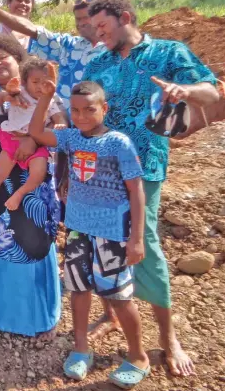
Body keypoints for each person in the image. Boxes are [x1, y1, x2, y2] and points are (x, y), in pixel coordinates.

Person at [83, 0, 219, 377]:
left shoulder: (168, 53)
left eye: (104, 27)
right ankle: (111, 314)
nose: (99, 34)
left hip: (145, 166)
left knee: (145, 245)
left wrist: (184, 91)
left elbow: (212, 91)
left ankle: (167, 337)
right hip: (102, 169)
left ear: (125, 18)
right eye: (95, 29)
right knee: (102, 241)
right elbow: (83, 110)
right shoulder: (98, 64)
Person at [29, 79, 151, 388]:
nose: (81, 116)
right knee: (79, 290)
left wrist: (136, 238)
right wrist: (45, 98)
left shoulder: (118, 143)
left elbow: (136, 190)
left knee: (119, 297)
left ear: (104, 109)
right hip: (77, 229)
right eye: (75, 111)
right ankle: (81, 348)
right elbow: (37, 133)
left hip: (112, 233)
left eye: (89, 110)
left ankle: (138, 355)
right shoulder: (71, 137)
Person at [0, 34, 61, 338]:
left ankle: (31, 317)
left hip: (28, 185)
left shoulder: (40, 86)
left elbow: (60, 124)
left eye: (3, 57)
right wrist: (5, 95)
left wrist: (34, 139)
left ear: (18, 59)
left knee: (29, 240)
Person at [0, 0, 104, 109]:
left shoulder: (113, 50)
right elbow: (34, 31)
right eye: (78, 19)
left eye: (86, 18)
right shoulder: (67, 44)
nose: (81, 23)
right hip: (65, 130)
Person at [0, 58, 67, 225]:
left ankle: (20, 193)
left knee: (38, 172)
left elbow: (59, 117)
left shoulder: (50, 99)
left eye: (45, 82)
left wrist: (60, 123)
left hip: (36, 143)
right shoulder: (21, 93)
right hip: (12, 138)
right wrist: (11, 87)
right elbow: (11, 91)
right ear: (25, 82)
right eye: (35, 82)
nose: (40, 86)